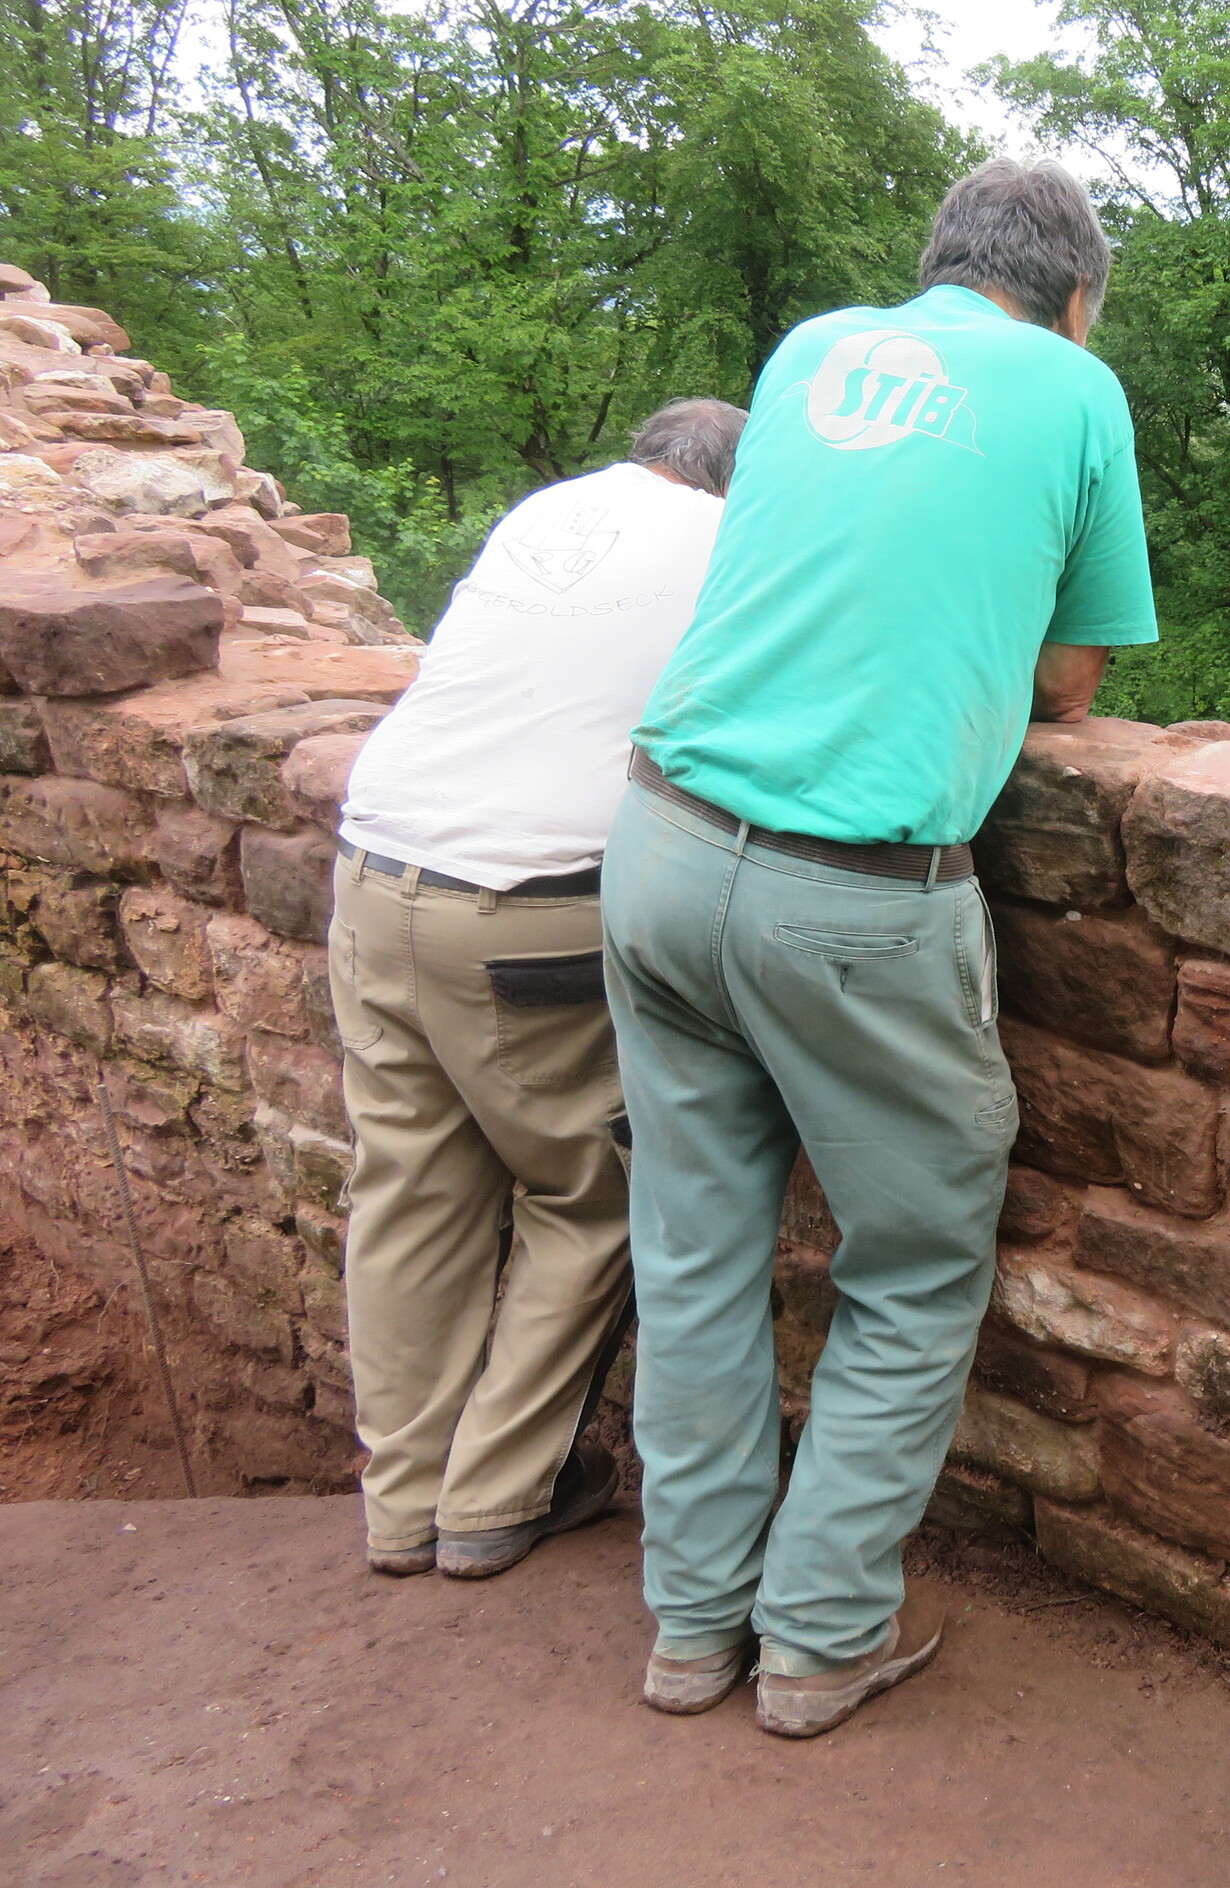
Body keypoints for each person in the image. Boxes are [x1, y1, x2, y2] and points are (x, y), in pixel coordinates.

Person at [604, 158, 1157, 1738]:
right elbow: (1069, 681)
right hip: (850, 888)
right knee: (913, 1268)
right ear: (1072, 298)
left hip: (659, 842)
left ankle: (692, 1628)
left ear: (938, 265)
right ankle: (820, 1638)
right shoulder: (1074, 387)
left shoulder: (812, 350)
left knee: (692, 1253)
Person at [331, 398, 749, 1581]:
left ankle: (400, 1505)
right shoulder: (727, 540)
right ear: (735, 479)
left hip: (375, 867)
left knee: (408, 1195)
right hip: (532, 904)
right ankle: (495, 1496)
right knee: (593, 1192)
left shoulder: (547, 511)